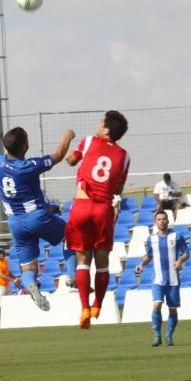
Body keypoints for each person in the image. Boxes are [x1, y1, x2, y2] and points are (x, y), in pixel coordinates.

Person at [0, 125, 76, 312]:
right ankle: (72, 277)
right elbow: (58, 155)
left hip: (15, 223)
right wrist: (68, 135)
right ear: (25, 146)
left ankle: (31, 285)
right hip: (36, 217)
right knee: (71, 235)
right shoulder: (27, 167)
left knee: (28, 267)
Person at [65, 110, 131, 329]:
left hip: (82, 206)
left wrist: (71, 152)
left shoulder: (89, 141)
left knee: (83, 261)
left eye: (101, 122)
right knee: (102, 264)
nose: (97, 124)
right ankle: (97, 306)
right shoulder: (125, 156)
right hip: (103, 209)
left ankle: (84, 307)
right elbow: (118, 188)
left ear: (106, 129)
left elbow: (71, 161)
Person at [135, 210, 189, 346]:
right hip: (158, 279)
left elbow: (186, 253)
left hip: (173, 279)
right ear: (155, 222)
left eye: (164, 219)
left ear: (168, 220)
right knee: (157, 304)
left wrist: (180, 261)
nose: (162, 221)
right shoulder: (151, 239)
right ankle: (157, 336)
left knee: (172, 309)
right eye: (159, 219)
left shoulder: (176, 236)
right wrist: (141, 264)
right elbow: (149, 255)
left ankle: (169, 336)